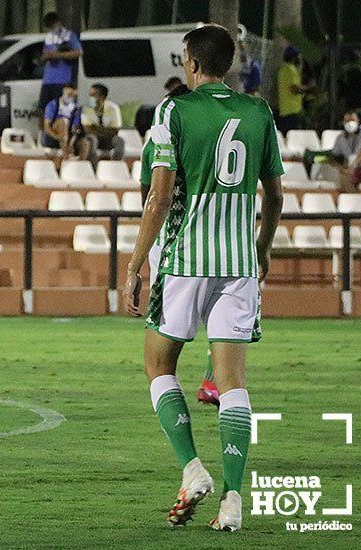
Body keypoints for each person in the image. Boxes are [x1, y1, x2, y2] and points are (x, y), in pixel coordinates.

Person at [124, 25, 284, 532]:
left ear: (190, 62)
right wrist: (261, 248)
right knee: (232, 384)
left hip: (187, 261)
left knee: (158, 365)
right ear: (230, 63)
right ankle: (234, 500)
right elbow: (274, 196)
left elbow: (159, 196)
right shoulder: (259, 113)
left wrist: (134, 264)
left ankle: (193, 469)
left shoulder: (175, 111)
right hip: (238, 265)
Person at [137, 82, 219, 406]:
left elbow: (152, 195)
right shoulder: (211, 139)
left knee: (165, 325)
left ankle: (171, 382)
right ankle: (213, 380)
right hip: (215, 238)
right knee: (221, 315)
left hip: (171, 240)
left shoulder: (158, 140)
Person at [38, 11, 82, 115]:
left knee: (62, 110)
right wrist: (45, 57)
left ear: (57, 22)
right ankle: (44, 131)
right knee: (42, 109)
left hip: (63, 80)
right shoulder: (48, 37)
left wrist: (58, 55)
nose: (52, 28)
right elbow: (45, 54)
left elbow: (79, 52)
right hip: (48, 80)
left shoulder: (69, 35)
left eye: (52, 25)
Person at [330, 111, 361, 200]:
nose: (350, 123)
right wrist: (342, 168)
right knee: (343, 173)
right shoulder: (341, 138)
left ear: (357, 121)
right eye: (347, 121)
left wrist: (356, 161)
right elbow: (333, 157)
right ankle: (354, 200)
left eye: (352, 120)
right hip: (353, 169)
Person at [79, 83, 124, 162]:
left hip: (109, 139)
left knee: (119, 141)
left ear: (102, 96)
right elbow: (88, 130)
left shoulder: (113, 108)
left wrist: (96, 128)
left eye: (93, 95)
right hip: (92, 138)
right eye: (90, 95)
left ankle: (115, 165)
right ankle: (92, 166)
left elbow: (115, 130)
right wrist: (106, 129)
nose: (91, 98)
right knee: (92, 140)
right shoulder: (86, 109)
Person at [276, 45, 309, 134]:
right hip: (293, 110)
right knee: (294, 136)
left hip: (284, 110)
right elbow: (295, 89)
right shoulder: (291, 70)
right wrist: (308, 88)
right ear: (294, 57)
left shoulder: (282, 69)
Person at [42, 82, 80, 156]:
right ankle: (65, 148)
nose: (71, 97)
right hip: (53, 135)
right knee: (64, 121)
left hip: (68, 137)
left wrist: (72, 141)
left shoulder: (76, 108)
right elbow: (47, 126)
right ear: (64, 92)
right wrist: (59, 138)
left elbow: (75, 127)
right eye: (69, 95)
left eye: (73, 96)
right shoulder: (52, 105)